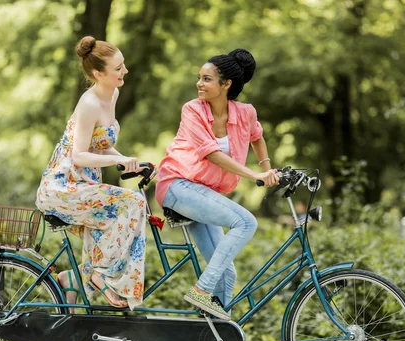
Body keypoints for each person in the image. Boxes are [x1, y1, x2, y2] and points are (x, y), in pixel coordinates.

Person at [155, 49, 279, 319]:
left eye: (207, 79)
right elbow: (212, 153)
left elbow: (257, 137)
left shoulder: (245, 113)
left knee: (227, 273)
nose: (199, 84)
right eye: (199, 78)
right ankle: (202, 289)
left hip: (204, 193)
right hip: (177, 185)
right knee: (246, 222)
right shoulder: (192, 110)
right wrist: (254, 175)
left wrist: (268, 170)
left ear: (226, 85)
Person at [36, 36, 146, 311]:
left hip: (86, 182)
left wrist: (127, 161)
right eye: (118, 68)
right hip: (64, 185)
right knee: (134, 202)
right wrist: (116, 161)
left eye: (123, 65)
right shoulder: (89, 104)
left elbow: (102, 145)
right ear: (99, 74)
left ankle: (72, 280)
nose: (125, 71)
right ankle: (101, 277)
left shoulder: (114, 94)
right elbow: (79, 155)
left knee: (123, 214)